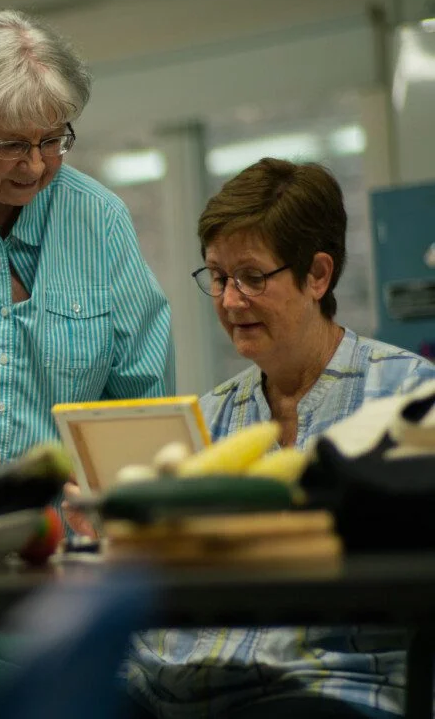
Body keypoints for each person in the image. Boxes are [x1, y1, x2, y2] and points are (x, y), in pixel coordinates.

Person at [0, 9, 173, 718]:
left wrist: (122, 518)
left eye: (53, 140)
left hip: (59, 556)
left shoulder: (98, 220)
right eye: (11, 144)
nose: (36, 164)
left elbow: (136, 396)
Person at [122, 158, 435, 719]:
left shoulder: (413, 402)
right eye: (218, 277)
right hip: (176, 689)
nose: (230, 301)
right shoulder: (210, 417)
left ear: (318, 275)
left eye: (252, 277)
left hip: (324, 690)